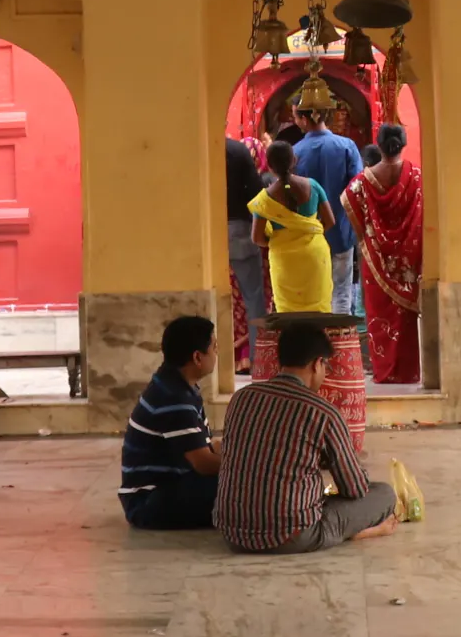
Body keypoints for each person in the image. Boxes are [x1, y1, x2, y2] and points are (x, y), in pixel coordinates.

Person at [216, 321, 399, 553]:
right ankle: (355, 532)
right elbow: (354, 489)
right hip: (291, 535)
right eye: (326, 367)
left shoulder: (241, 398)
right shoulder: (323, 412)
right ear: (317, 364)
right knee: (383, 494)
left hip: (233, 532)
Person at [119, 314, 222, 529]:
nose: (217, 353)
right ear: (197, 357)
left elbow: (204, 446)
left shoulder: (177, 385)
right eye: (213, 347)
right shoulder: (173, 397)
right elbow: (203, 464)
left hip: (165, 492)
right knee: (247, 486)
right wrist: (252, 466)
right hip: (150, 502)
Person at [347, 120, 424, 383]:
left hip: (375, 261)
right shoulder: (416, 177)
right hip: (409, 262)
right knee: (405, 319)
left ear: (378, 146)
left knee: (380, 315)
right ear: (404, 144)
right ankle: (407, 371)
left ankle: (384, 372)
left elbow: (354, 215)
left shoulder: (362, 183)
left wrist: (371, 241)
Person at [287, 111, 367, 320]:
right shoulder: (347, 146)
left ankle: (318, 347)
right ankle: (342, 346)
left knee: (314, 294)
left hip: (309, 236)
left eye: (297, 117)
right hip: (341, 232)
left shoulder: (296, 152)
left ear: (305, 119)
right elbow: (357, 190)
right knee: (342, 292)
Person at [248, 139, 337, 316]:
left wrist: (282, 241)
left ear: (270, 167)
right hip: (315, 257)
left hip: (283, 262)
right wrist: (308, 232)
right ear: (294, 160)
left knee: (288, 316)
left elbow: (257, 238)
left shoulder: (264, 199)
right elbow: (330, 221)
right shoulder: (313, 186)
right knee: (319, 314)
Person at [224, 133, 271, 374]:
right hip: (239, 229)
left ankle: (218, 361)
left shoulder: (194, 153)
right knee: (253, 298)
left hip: (205, 232)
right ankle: (257, 359)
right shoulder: (237, 151)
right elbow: (257, 194)